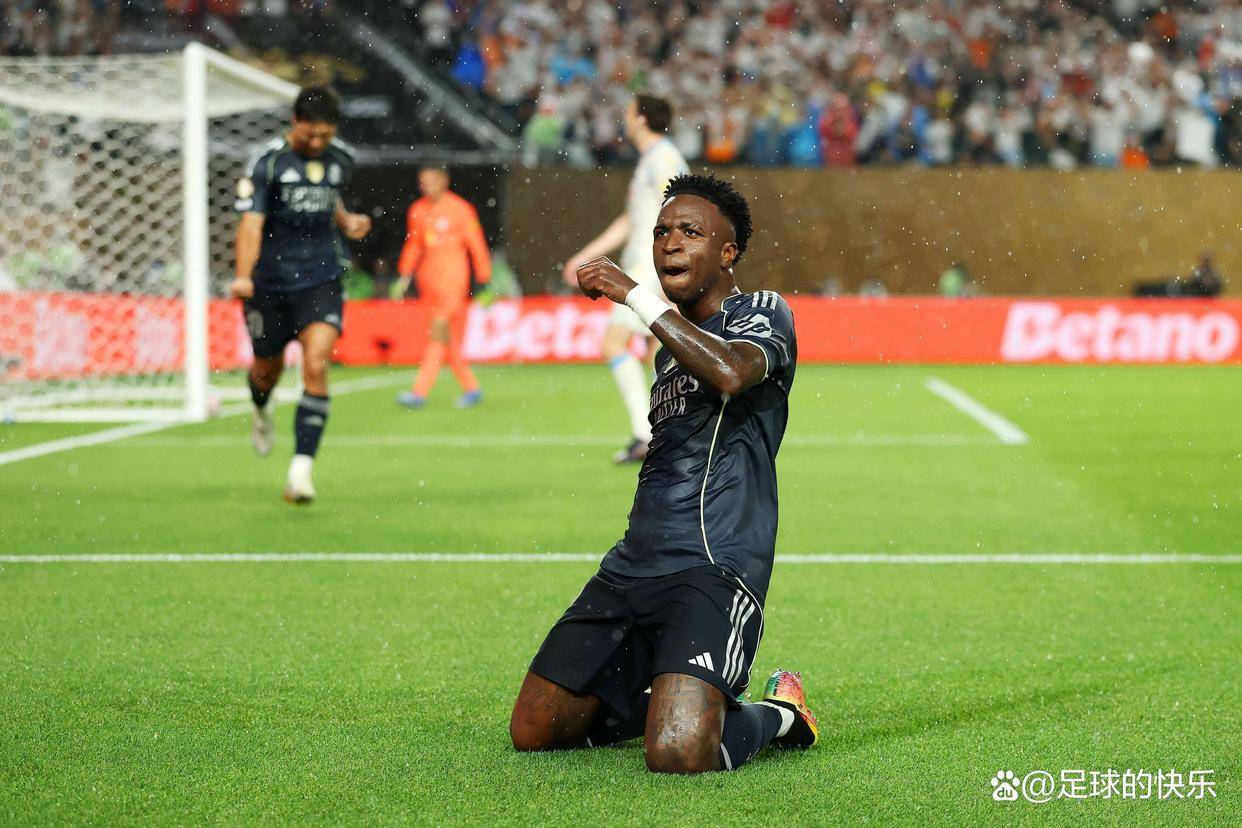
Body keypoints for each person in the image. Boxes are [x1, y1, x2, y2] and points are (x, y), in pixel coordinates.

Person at [511, 174, 816, 774]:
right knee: (535, 730)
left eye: (690, 232)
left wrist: (632, 295)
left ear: (727, 253)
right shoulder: (668, 354)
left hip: (712, 567)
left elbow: (731, 372)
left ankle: (782, 713)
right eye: (660, 232)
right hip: (632, 568)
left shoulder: (760, 312)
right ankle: (666, 699)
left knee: (678, 752)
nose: (670, 243)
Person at [230, 86, 371, 504]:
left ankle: (300, 473)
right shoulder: (267, 161)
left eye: (326, 135)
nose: (317, 142)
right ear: (295, 123)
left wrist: (346, 221)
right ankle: (261, 408)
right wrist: (243, 276)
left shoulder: (341, 158)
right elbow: (251, 224)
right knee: (265, 372)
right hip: (270, 284)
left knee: (316, 363)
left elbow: (330, 195)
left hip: (321, 277)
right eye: (311, 134)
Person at [562, 94, 689, 464]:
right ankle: (671, 434)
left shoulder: (663, 159)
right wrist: (585, 256)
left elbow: (680, 208)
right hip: (645, 265)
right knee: (657, 354)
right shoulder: (651, 159)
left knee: (614, 343)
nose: (625, 118)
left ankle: (644, 434)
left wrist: (672, 264)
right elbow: (631, 221)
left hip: (649, 269)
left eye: (630, 113)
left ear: (642, 119)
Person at [393, 167, 493, 409]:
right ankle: (471, 388)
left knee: (438, 332)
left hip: (453, 281)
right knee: (446, 338)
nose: (427, 186)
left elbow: (476, 244)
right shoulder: (418, 210)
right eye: (423, 182)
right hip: (428, 282)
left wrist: (484, 279)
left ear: (444, 181)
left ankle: (419, 392)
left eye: (431, 181)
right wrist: (404, 275)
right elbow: (414, 244)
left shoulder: (460, 209)